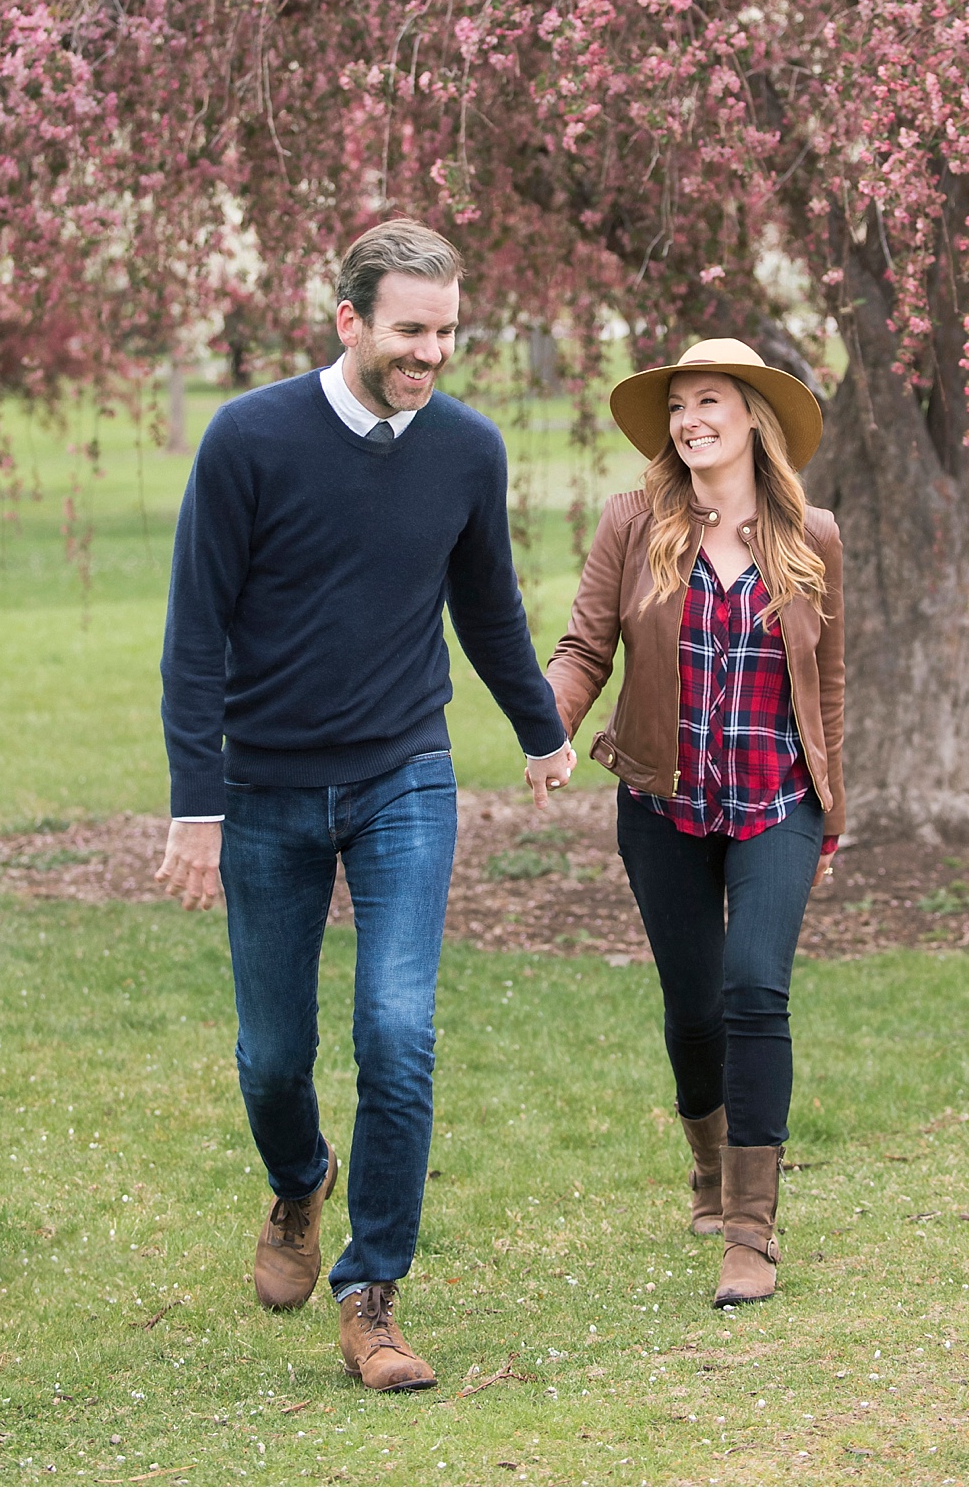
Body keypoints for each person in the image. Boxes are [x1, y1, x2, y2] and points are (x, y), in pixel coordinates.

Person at [155, 220, 576, 1389]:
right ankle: (299, 1180)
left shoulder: (467, 451)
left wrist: (540, 727)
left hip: (404, 774)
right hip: (267, 786)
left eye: (446, 333)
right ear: (348, 319)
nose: (429, 354)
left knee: (400, 1029)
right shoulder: (249, 440)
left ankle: (372, 1292)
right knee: (271, 1055)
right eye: (408, 331)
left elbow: (486, 603)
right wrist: (197, 807)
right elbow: (194, 638)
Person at [546, 339, 843, 1309]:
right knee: (695, 1006)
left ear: (753, 415)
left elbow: (827, 685)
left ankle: (751, 1232)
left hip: (776, 803)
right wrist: (548, 724)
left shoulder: (814, 538)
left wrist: (832, 809)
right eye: (678, 405)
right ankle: (710, 1168)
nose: (688, 419)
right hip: (662, 807)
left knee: (755, 986)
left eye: (708, 400)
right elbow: (587, 645)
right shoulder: (635, 523)